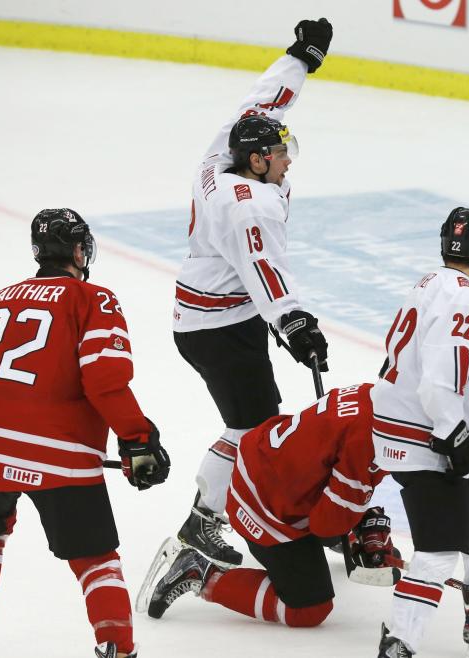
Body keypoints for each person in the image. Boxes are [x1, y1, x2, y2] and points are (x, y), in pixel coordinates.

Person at [0, 209, 170, 658]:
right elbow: (104, 380)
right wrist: (137, 436)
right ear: (77, 249)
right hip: (56, 455)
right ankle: (116, 647)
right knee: (95, 559)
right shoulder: (94, 298)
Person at [171, 18, 333, 567]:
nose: (289, 158)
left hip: (216, 314)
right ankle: (203, 519)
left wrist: (300, 61)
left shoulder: (222, 157)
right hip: (217, 328)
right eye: (281, 153)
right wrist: (293, 323)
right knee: (253, 428)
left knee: (260, 419)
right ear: (258, 161)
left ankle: (232, 508)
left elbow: (261, 104)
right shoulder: (249, 207)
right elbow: (264, 269)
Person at [372, 207, 469, 658]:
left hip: (402, 423)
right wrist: (453, 433)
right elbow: (441, 380)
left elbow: (466, 373)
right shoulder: (468, 299)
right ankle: (399, 643)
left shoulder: (431, 285)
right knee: (439, 551)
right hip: (423, 434)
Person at [139, 383, 399, 629]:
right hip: (265, 508)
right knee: (310, 608)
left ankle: (349, 534)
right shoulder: (370, 439)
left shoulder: (372, 394)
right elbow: (325, 523)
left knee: (339, 511)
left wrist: (359, 516)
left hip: (262, 462)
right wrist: (357, 516)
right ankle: (199, 572)